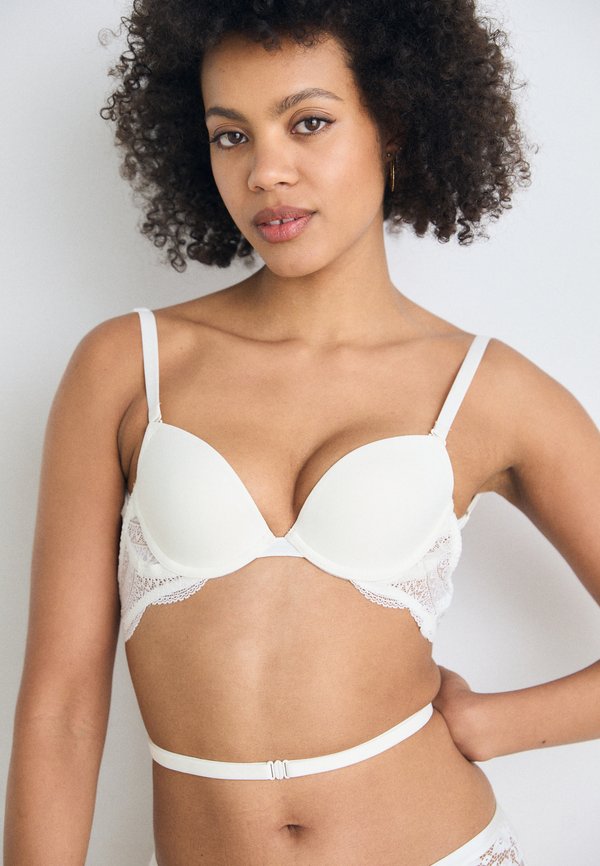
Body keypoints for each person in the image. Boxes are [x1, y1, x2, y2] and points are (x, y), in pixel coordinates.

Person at [4, 1, 600, 864]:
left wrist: (495, 724)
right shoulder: (129, 367)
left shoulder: (488, 390)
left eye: (309, 122)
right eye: (231, 135)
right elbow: (60, 707)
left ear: (395, 123)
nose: (265, 172)